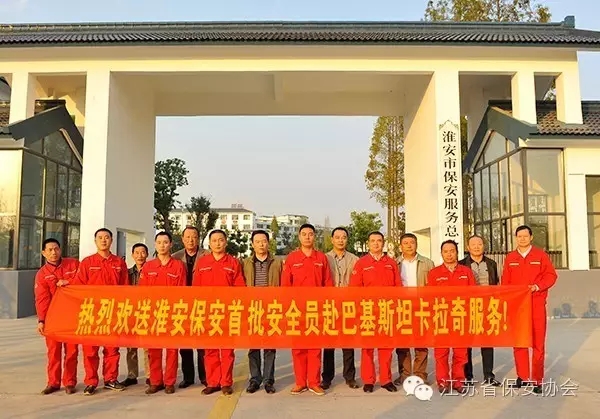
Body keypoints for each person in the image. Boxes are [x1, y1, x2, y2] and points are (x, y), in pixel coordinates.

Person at [65, 228, 129, 395]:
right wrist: (67, 284)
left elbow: (125, 288)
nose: (103, 240)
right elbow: (78, 284)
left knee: (112, 349)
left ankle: (110, 379)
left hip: (112, 312)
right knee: (90, 350)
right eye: (100, 238)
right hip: (91, 313)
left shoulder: (119, 263)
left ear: (111, 240)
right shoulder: (87, 262)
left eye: (107, 237)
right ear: (95, 241)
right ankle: (91, 381)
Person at [502, 225, 558, 394]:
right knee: (519, 342)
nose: (522, 239)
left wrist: (537, 286)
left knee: (538, 344)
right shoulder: (510, 257)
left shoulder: (540, 256)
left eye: (525, 236)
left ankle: (537, 380)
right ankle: (523, 377)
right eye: (519, 236)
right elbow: (505, 282)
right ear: (516, 238)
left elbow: (551, 275)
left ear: (531, 237)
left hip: (536, 305)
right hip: (518, 307)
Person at [281, 223, 333, 396]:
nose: (307, 237)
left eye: (310, 234)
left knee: (315, 348)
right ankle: (300, 382)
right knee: (298, 348)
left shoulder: (321, 258)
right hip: (297, 310)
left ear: (314, 237)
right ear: (299, 237)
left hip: (316, 310)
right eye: (304, 234)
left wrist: (326, 306)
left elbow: (327, 283)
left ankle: (314, 382)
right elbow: (285, 285)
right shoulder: (292, 258)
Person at [193, 229, 246, 395]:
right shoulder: (202, 262)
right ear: (209, 243)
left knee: (227, 351)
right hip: (208, 313)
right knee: (210, 350)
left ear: (225, 242)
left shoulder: (233, 263)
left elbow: (240, 288)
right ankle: (213, 382)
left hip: (227, 314)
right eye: (214, 240)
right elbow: (196, 288)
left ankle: (226, 383)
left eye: (220, 240)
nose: (217, 243)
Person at [350, 231, 401, 393]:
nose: (376, 243)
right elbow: (355, 289)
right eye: (373, 241)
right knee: (367, 348)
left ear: (383, 243)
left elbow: (398, 287)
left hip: (386, 311)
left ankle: (386, 380)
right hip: (368, 311)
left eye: (379, 241)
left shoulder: (391, 263)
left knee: (386, 348)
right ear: (368, 243)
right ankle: (369, 380)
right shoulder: (362, 263)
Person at [139, 231, 186, 395]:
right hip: (153, 314)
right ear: (155, 244)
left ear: (171, 244)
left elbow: (182, 291)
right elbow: (142, 292)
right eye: (159, 242)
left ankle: (169, 382)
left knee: (172, 350)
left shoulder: (178, 266)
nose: (162, 245)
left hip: (172, 314)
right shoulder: (148, 266)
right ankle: (155, 381)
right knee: (154, 350)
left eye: (165, 242)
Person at [427, 240, 476, 395]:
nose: (449, 254)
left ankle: (458, 381)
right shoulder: (434, 273)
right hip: (441, 318)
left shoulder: (466, 272)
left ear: (457, 253)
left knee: (461, 353)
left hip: (461, 318)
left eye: (452, 251)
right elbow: (429, 298)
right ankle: (443, 382)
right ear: (441, 254)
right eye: (446, 251)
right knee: (441, 353)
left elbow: (473, 295)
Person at [35, 238, 80, 395]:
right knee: (53, 352)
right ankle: (53, 383)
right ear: (44, 253)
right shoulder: (42, 274)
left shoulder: (73, 265)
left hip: (72, 315)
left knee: (71, 351)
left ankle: (70, 382)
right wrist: (42, 320)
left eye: (56, 249)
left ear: (60, 250)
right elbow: (41, 299)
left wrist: (69, 281)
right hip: (53, 318)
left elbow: (83, 280)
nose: (53, 252)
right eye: (50, 250)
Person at [242, 229, 283, 394]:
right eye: (257, 241)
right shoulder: (245, 263)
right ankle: (255, 379)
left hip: (271, 308)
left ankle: (268, 380)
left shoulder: (278, 263)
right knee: (253, 347)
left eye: (264, 241)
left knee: (270, 347)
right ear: (252, 244)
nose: (261, 244)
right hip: (252, 309)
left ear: (268, 243)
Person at [458, 235, 501, 387]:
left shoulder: (491, 264)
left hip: (487, 308)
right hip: (467, 308)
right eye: (473, 244)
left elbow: (496, 284)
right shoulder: (461, 265)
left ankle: (489, 375)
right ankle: (467, 376)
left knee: (487, 343)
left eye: (479, 244)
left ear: (484, 246)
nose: (476, 247)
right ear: (468, 247)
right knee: (466, 343)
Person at [322, 226, 360, 390]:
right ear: (332, 240)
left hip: (348, 305)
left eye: (343, 237)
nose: (340, 240)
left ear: (347, 240)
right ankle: (327, 377)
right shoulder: (324, 258)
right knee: (328, 344)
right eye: (337, 237)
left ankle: (350, 377)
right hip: (329, 305)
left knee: (348, 343)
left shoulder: (355, 259)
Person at [394, 233, 434, 385]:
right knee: (402, 344)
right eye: (406, 243)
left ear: (416, 244)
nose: (409, 245)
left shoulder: (427, 263)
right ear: (401, 246)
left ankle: (420, 374)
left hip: (421, 307)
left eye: (412, 242)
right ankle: (404, 374)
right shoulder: (394, 264)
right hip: (401, 307)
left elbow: (432, 286)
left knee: (421, 343)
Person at [172, 226, 208, 388]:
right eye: (187, 237)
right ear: (182, 239)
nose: (190, 240)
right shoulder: (176, 257)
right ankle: (188, 377)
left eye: (194, 237)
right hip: (182, 305)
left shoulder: (207, 255)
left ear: (198, 238)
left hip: (201, 304)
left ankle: (205, 376)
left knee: (202, 344)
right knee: (185, 344)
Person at [120, 242, 150, 387]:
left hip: (146, 311)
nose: (140, 256)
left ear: (147, 254)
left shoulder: (151, 271)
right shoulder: (126, 273)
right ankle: (132, 375)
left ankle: (150, 375)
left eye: (143, 252)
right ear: (132, 255)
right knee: (130, 346)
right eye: (137, 253)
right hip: (130, 312)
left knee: (147, 346)